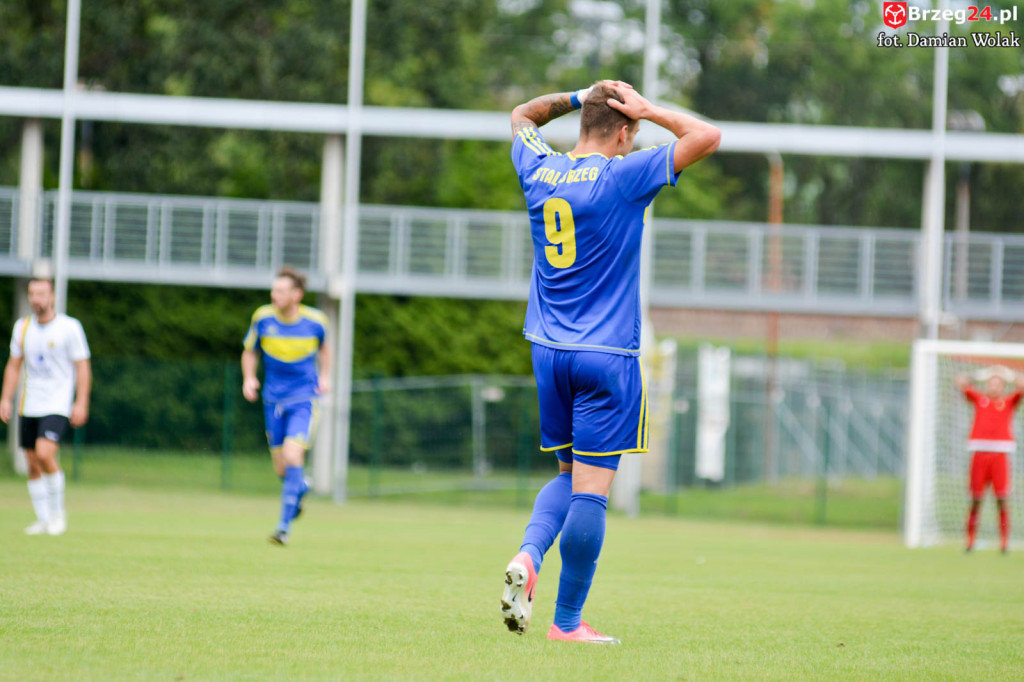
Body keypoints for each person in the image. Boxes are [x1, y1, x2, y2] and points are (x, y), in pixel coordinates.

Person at [500, 81, 720, 643]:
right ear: (624, 132)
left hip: (548, 350)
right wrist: (649, 109)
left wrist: (583, 94)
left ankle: (528, 555)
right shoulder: (623, 175)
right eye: (633, 132)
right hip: (605, 354)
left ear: (583, 123)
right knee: (592, 491)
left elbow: (522, 113)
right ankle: (567, 623)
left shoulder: (539, 167)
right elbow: (707, 136)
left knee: (567, 475)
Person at [242, 266, 331, 546]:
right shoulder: (262, 317)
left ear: (297, 295)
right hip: (273, 401)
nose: (274, 294)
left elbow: (325, 348)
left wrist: (325, 377)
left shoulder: (316, 321)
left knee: (293, 456)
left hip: (304, 400)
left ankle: (283, 528)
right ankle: (301, 486)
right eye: (274, 289)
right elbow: (250, 351)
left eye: (280, 291)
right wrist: (249, 378)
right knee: (282, 470)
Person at [0, 278, 91, 536]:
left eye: (41, 293)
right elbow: (14, 365)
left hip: (57, 403)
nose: (36, 298)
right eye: (32, 294)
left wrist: (81, 401)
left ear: (52, 296)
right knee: (32, 462)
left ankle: (58, 515)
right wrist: (5, 398)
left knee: (44, 453)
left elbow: (82, 366)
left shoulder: (69, 327)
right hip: (30, 403)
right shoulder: (23, 327)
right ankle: (43, 519)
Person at [955, 366, 1023, 553]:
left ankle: (1004, 542)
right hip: (979, 454)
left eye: (998, 383)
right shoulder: (980, 400)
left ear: (1003, 386)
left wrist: (1009, 374)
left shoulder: (1009, 401)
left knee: (1001, 498)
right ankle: (970, 540)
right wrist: (979, 375)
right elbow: (960, 381)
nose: (994, 386)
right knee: (976, 498)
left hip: (1000, 455)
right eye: (991, 383)